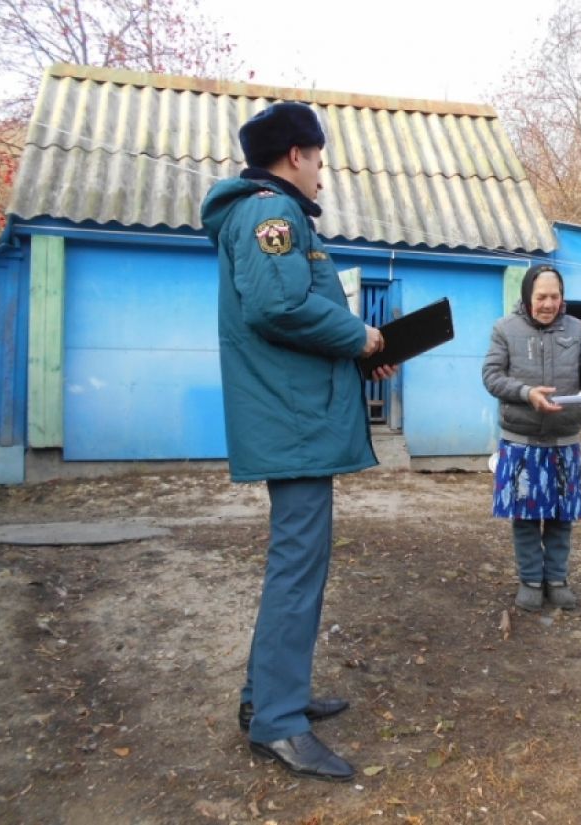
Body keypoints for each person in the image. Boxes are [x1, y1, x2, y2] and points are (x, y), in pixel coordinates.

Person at [201, 101, 394, 781]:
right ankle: (279, 721)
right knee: (297, 566)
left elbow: (290, 317)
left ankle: (268, 695)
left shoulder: (265, 214)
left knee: (296, 563)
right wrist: (358, 334)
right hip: (293, 420)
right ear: (295, 155)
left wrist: (364, 354)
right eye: (319, 160)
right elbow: (277, 306)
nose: (322, 175)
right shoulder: (271, 215)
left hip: (296, 412)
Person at [482, 264, 581, 612]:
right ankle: (530, 581)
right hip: (521, 440)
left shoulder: (576, 327)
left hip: (564, 441)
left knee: (560, 517)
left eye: (555, 296)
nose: (549, 304)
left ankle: (557, 580)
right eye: (541, 297)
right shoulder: (505, 329)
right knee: (524, 517)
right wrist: (525, 393)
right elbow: (491, 376)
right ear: (528, 296)